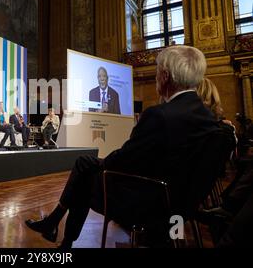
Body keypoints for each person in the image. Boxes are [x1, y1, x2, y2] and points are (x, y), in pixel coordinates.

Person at [25, 45, 225, 248]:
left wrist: (103, 162)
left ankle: (60, 234)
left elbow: (122, 162)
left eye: (157, 72)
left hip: (146, 203)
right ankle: (56, 228)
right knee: (85, 165)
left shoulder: (160, 115)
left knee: (84, 174)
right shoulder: (211, 121)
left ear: (165, 76)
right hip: (179, 205)